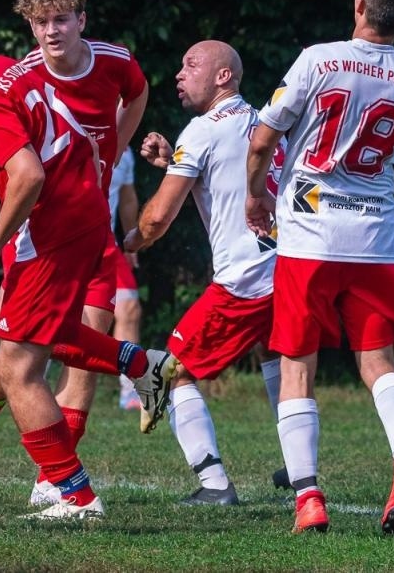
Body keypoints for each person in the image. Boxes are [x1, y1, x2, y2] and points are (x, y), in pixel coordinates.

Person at [0, 0, 174, 521]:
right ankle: (139, 364)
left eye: (62, 19)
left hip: (48, 222)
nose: (53, 30)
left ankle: (73, 494)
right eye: (43, 22)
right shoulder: (6, 72)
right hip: (81, 213)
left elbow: (28, 174)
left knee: (19, 365)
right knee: (16, 330)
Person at [245, 0, 394, 535]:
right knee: (378, 362)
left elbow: (262, 139)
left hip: (310, 233)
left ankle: (308, 497)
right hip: (375, 240)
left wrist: (256, 197)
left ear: (358, 4)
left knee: (298, 363)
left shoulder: (318, 58)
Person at [127, 40, 283, 506]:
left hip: (245, 278)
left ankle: (214, 484)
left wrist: (129, 242)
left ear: (223, 77)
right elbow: (232, 171)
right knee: (279, 360)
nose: (179, 74)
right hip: (289, 266)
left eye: (190, 64)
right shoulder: (266, 123)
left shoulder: (202, 130)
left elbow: (156, 219)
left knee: (169, 371)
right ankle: (300, 469)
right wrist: (173, 156)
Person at [108, 147, 144, 412]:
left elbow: (127, 197)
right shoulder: (66, 129)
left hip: (105, 243)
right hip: (61, 243)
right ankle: (27, 378)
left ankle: (129, 392)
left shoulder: (125, 152)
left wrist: (131, 241)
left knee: (129, 307)